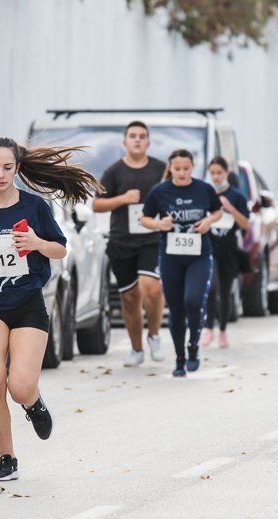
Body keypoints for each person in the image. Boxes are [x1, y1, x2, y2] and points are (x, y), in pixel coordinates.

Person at [0, 137, 100, 482]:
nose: (0, 175)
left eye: (7, 167)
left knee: (19, 386)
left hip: (28, 303)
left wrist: (36, 243)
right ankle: (7, 458)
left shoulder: (35, 207)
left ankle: (33, 404)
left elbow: (60, 251)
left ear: (17, 168)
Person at [140, 149, 223, 376]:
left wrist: (208, 221)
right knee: (176, 308)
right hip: (170, 257)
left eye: (186, 169)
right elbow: (144, 218)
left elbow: (218, 211)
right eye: (177, 169)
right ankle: (179, 358)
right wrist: (159, 225)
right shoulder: (160, 191)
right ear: (170, 167)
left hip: (199, 254)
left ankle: (193, 345)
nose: (182, 173)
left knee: (193, 300)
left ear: (192, 167)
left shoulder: (203, 188)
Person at [93, 121, 166, 367]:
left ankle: (154, 335)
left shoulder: (160, 169)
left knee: (151, 288)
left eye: (142, 136)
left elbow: (172, 194)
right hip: (122, 241)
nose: (137, 140)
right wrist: (123, 199)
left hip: (151, 238)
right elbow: (97, 205)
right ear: (125, 142)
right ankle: (136, 349)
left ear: (148, 142)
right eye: (132, 136)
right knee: (130, 298)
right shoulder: (114, 172)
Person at [200, 157, 250, 349]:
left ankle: (222, 330)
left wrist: (229, 208)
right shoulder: (205, 193)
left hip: (229, 249)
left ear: (227, 173)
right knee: (211, 288)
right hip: (210, 248)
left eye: (219, 173)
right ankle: (208, 329)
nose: (216, 177)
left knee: (225, 291)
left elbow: (245, 223)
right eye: (212, 173)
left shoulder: (236, 196)